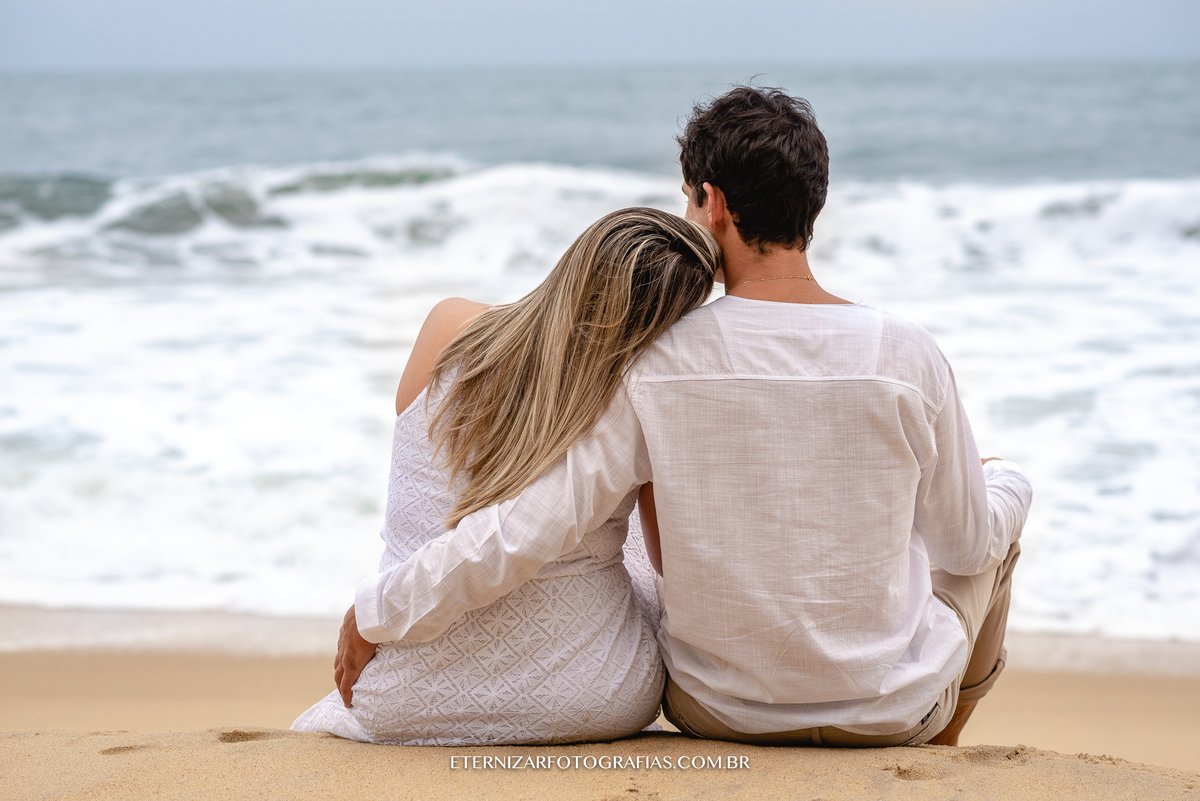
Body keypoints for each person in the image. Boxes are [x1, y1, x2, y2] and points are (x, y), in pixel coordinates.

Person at [368, 86, 1033, 748]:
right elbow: (966, 545)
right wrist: (1009, 483)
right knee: (989, 521)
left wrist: (378, 612)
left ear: (710, 202)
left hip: (716, 712)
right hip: (889, 716)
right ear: (813, 204)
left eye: (687, 198)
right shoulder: (908, 352)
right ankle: (942, 755)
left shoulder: (655, 359)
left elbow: (528, 527)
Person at [291, 207, 720, 745]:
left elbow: (413, 498)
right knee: (631, 520)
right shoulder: (639, 401)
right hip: (595, 694)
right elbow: (668, 563)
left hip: (407, 693)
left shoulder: (450, 328)